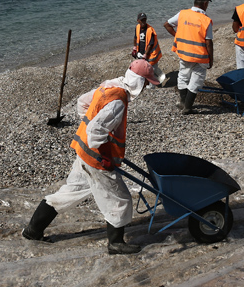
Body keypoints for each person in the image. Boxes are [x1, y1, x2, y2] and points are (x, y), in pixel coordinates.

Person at [22, 59, 161, 255]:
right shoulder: (118, 101)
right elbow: (96, 130)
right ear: (139, 81)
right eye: (146, 82)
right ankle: (115, 243)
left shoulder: (109, 85)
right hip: (96, 159)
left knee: (69, 191)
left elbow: (82, 103)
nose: (147, 86)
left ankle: (32, 231)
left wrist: (88, 125)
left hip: (83, 152)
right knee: (119, 199)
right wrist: (103, 154)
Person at [164, 0, 214, 114]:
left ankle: (182, 102)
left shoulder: (183, 14)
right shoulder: (206, 20)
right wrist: (211, 59)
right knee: (196, 79)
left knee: (183, 76)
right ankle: (187, 107)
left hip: (184, 52)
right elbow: (208, 42)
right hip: (200, 55)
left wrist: (177, 37)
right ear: (205, 3)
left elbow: (167, 24)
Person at [133, 12, 167, 84]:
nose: (143, 22)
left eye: (145, 20)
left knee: (151, 69)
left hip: (151, 53)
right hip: (141, 52)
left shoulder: (150, 30)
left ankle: (152, 85)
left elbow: (150, 44)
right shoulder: (137, 27)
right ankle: (159, 76)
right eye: (142, 20)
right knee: (145, 68)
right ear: (138, 20)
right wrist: (135, 48)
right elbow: (135, 38)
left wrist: (145, 54)